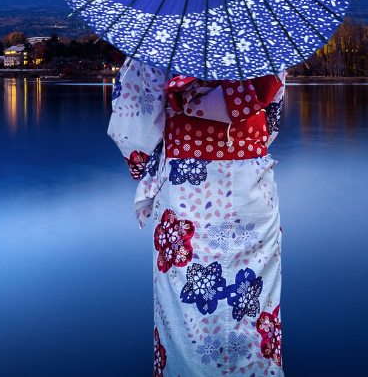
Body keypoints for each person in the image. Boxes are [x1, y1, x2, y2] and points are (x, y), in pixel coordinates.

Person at [109, 58, 285, 376]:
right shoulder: (261, 38)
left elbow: (133, 126)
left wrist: (154, 157)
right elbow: (271, 119)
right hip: (251, 190)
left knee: (186, 319)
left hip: (185, 196)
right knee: (252, 311)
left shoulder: (163, 36)